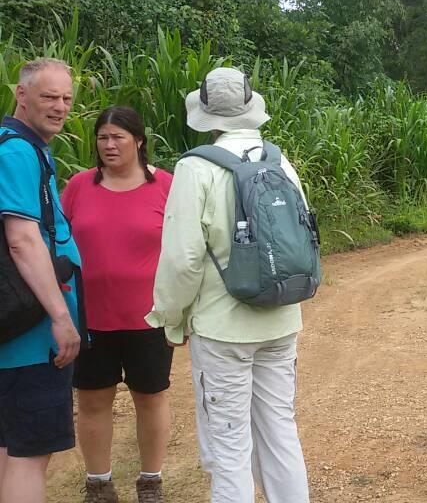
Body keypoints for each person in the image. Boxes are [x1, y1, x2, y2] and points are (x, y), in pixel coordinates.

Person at [145, 67, 311, 503]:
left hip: (222, 329)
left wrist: (172, 318)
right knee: (280, 433)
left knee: (229, 446)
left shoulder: (195, 168)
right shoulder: (280, 160)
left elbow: (183, 259)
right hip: (281, 318)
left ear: (207, 116)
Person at [61, 106, 173, 503]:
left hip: (149, 316)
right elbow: (56, 240)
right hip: (90, 316)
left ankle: (151, 481)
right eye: (102, 137)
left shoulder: (164, 186)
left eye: (118, 137)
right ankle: (98, 483)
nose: (108, 145)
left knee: (151, 396)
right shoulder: (78, 186)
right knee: (92, 399)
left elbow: (185, 250)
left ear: (139, 141)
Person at [0, 58, 82, 503]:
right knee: (29, 455)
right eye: (49, 96)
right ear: (22, 94)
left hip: (16, 334)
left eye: (67, 98)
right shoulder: (16, 151)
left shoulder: (26, 148)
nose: (60, 107)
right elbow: (22, 241)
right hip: (30, 336)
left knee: (9, 448)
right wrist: (60, 318)